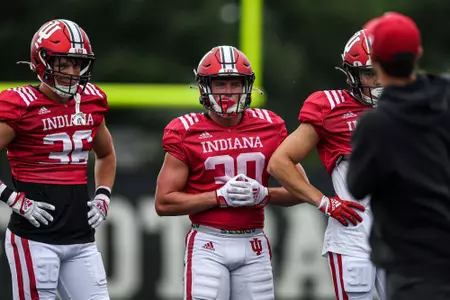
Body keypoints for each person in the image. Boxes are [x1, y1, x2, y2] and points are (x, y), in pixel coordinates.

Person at [156, 45, 337, 300]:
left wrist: (264, 194)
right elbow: (163, 202)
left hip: (254, 244)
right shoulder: (185, 131)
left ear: (247, 86)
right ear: (204, 86)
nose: (228, 92)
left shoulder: (269, 125)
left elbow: (300, 191)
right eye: (220, 84)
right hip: (208, 243)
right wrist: (219, 197)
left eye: (235, 83)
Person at [0, 19, 115, 300]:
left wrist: (103, 196)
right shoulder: (21, 105)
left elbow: (107, 154)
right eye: (63, 63)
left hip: (81, 238)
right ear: (42, 61)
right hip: (35, 238)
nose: (72, 72)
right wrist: (12, 199)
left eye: (77, 64)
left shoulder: (92, 100)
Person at [267, 30, 386, 300]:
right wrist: (324, 202)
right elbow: (279, 163)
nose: (379, 80)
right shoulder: (331, 107)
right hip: (355, 236)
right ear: (351, 76)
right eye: (370, 73)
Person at [347, 12, 450, 300]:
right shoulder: (445, 96)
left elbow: (358, 186)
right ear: (418, 54)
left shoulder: (376, 124)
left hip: (413, 266)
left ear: (375, 61)